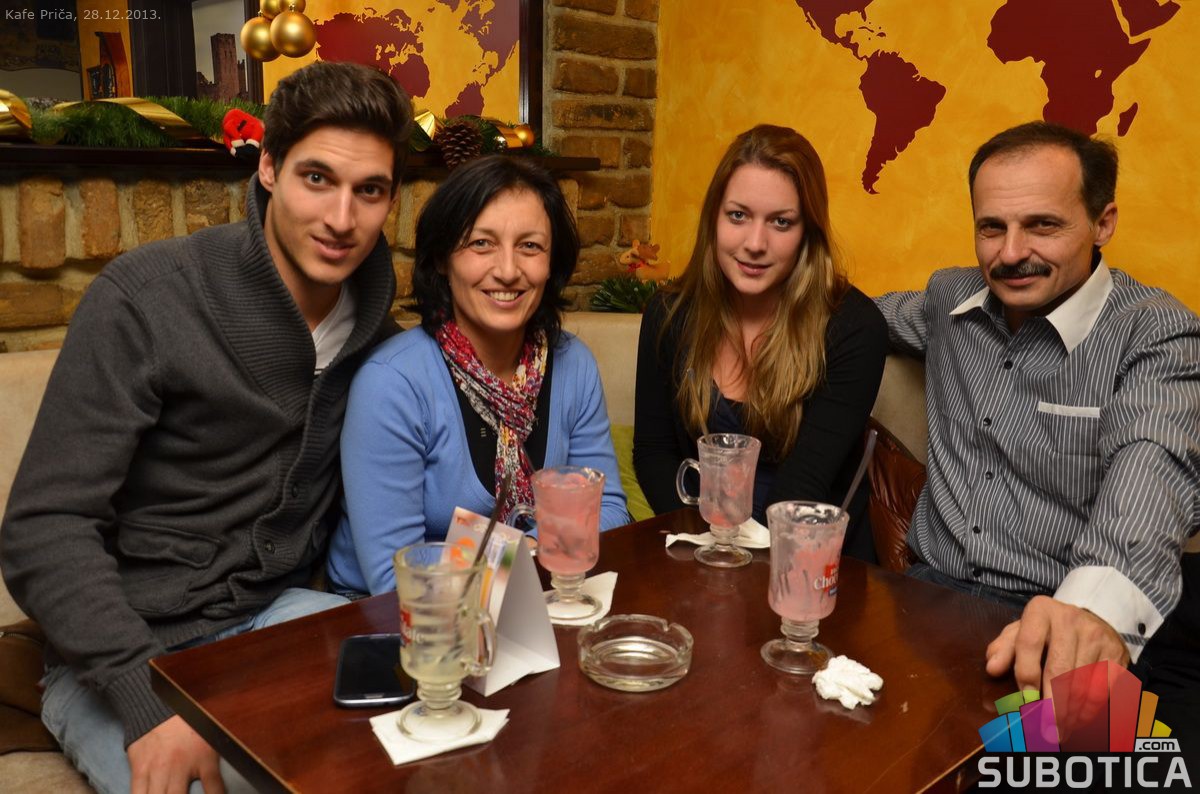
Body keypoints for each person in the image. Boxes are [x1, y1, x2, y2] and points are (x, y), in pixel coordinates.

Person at [0, 61, 413, 793]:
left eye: (369, 190)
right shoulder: (146, 299)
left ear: (391, 199)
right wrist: (143, 705)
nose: (342, 219)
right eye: (317, 178)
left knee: (442, 725)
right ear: (268, 168)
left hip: (279, 616)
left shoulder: (379, 341)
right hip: (131, 649)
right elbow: (44, 527)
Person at [875, 121, 1200, 702]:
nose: (1011, 253)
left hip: (1058, 623)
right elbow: (850, 318)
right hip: (921, 600)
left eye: (1042, 225)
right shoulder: (949, 300)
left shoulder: (1156, 334)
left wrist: (1095, 613)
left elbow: (1154, 469)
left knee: (1058, 752)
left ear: (1103, 223)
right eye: (991, 228)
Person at [326, 155, 629, 597]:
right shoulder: (392, 383)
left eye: (530, 246)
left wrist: (522, 553)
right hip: (393, 611)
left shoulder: (573, 364)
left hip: (537, 596)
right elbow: (397, 578)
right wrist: (536, 549)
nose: (507, 271)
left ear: (552, 263)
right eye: (481, 243)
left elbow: (609, 512)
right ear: (442, 259)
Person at [633, 124, 888, 561]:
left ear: (808, 231)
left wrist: (733, 567)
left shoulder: (853, 328)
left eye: (781, 222)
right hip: (701, 549)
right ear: (714, 218)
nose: (755, 243)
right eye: (738, 216)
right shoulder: (670, 314)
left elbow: (804, 487)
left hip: (809, 564)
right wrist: (701, 552)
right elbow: (654, 454)